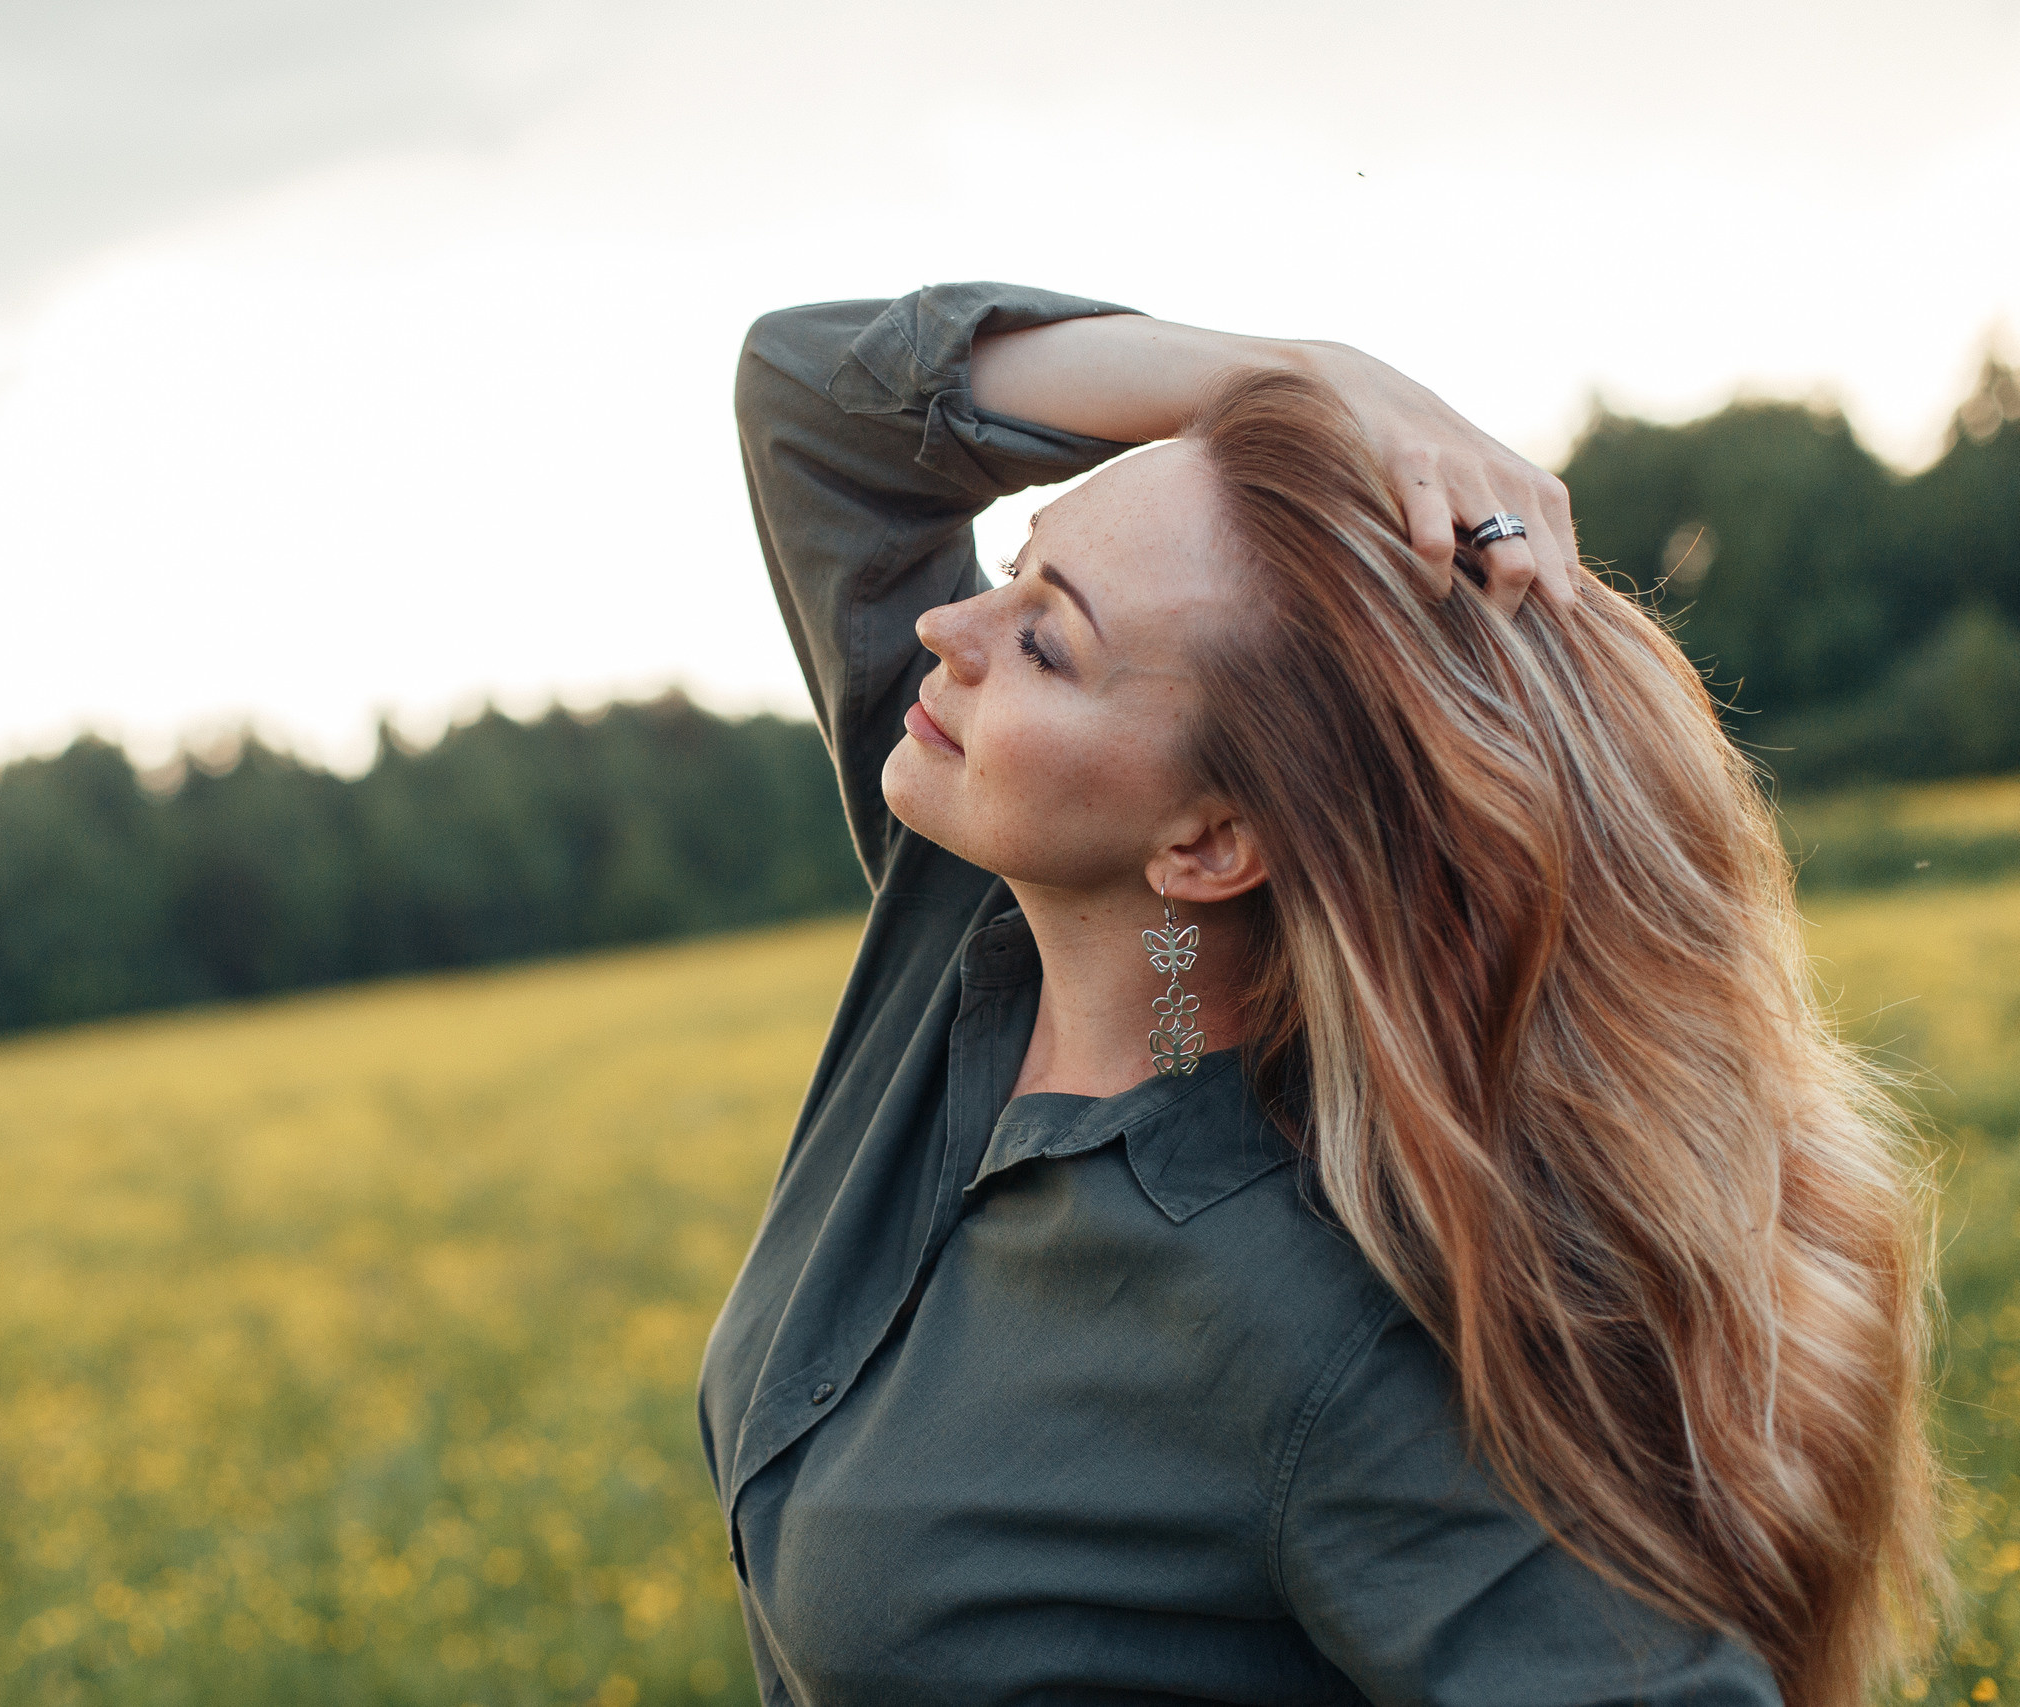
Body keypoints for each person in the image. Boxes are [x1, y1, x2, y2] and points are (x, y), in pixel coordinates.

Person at [700, 284, 1943, 1707]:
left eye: (1048, 641)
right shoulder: (962, 928)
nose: (950, 631)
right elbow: (816, 398)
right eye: (1015, 567)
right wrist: (1296, 376)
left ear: (1211, 841)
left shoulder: (1335, 1350)